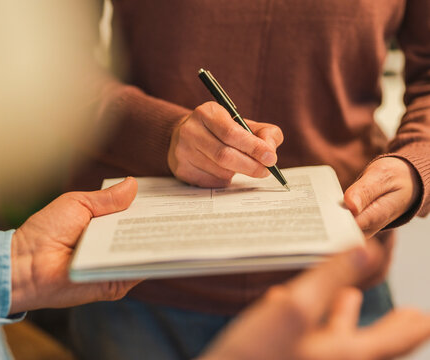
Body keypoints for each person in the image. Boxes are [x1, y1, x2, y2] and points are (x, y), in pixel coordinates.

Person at [63, 1, 430, 359]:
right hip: (139, 289)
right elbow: (51, 74)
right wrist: (164, 134)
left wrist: (416, 163)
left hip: (340, 288)